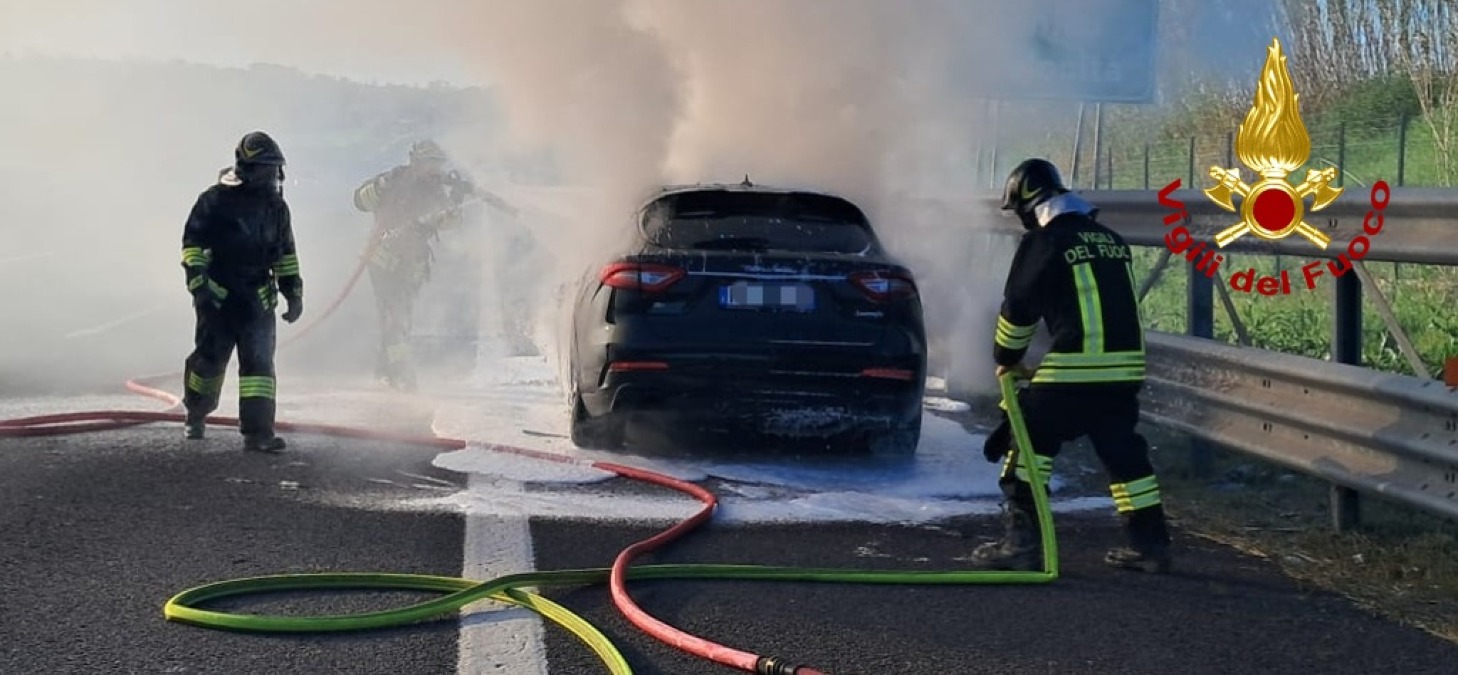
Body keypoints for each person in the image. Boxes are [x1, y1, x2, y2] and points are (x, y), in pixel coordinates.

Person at [972, 157, 1172, 573]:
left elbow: (1018, 309)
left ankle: (1022, 546)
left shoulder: (1043, 243)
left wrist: (1006, 359)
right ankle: (1150, 545)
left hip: (1075, 371)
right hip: (1123, 372)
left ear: (1030, 204)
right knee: (1124, 457)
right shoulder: (1110, 238)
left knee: (1027, 445)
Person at [352, 139, 515, 390]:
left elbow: (450, 223)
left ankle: (385, 373)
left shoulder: (435, 192)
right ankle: (402, 377)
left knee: (399, 319)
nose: (435, 170)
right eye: (430, 164)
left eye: (437, 165)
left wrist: (456, 202)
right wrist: (380, 185)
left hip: (411, 266)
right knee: (396, 320)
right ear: (416, 162)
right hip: (384, 263)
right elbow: (360, 202)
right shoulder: (394, 181)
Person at [179, 130, 304, 452]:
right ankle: (196, 410)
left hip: (257, 295)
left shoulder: (277, 207)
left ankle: (258, 433)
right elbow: (192, 246)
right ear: (246, 168)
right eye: (265, 168)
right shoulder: (215, 200)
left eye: (275, 169)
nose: (272, 176)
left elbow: (286, 254)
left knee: (259, 367)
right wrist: (199, 286)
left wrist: (293, 292)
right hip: (220, 294)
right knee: (209, 363)